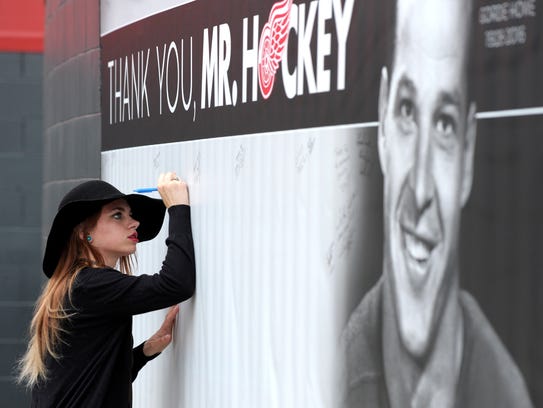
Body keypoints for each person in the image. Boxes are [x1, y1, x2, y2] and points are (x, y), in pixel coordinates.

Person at [340, 0, 533, 407]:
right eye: (408, 111)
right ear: (383, 124)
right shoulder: (335, 375)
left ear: (467, 153)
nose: (422, 188)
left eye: (444, 123)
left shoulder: (507, 396)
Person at [18, 172, 196, 407]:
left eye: (130, 214)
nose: (134, 223)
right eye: (117, 215)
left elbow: (90, 383)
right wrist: (178, 208)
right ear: (84, 233)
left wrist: (144, 352)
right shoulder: (91, 285)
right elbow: (176, 284)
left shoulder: (77, 284)